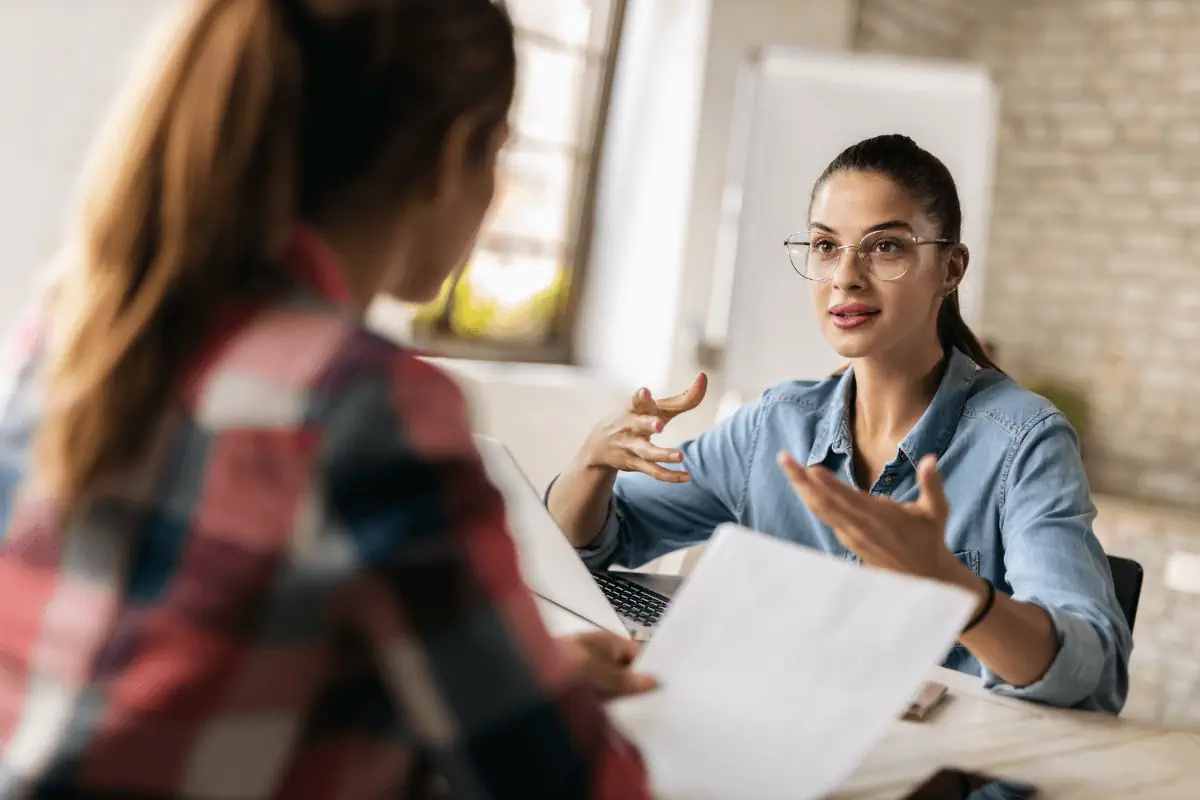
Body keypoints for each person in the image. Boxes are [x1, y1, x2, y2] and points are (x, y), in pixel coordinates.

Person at [0, 0, 654, 797]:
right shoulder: (365, 403)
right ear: (456, 155)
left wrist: (533, 682)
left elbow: (194, 679)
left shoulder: (66, 327)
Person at [548, 134, 1132, 715]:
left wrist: (957, 590)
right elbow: (591, 540)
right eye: (826, 246)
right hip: (778, 747)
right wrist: (593, 463)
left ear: (950, 268)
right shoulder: (773, 427)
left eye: (885, 248)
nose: (845, 277)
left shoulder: (1024, 441)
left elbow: (1094, 672)